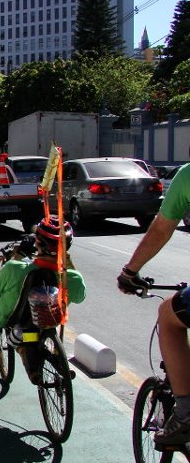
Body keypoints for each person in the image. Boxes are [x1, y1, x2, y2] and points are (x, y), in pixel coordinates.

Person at [0, 217, 86, 404]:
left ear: (37, 243)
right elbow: (80, 297)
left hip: (8, 316)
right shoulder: (73, 278)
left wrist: (18, 256)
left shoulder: (15, 268)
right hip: (45, 318)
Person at [117, 162, 190, 445]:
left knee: (168, 315)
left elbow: (161, 230)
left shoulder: (186, 176)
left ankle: (184, 413)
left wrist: (129, 272)